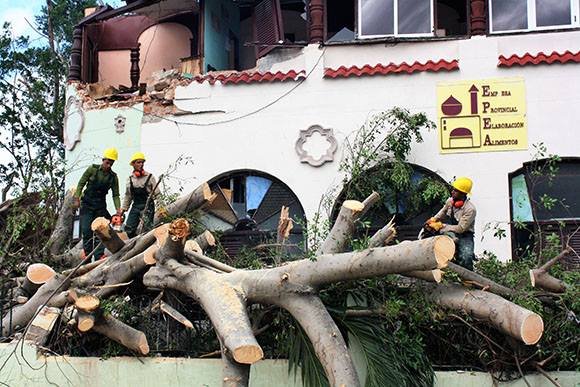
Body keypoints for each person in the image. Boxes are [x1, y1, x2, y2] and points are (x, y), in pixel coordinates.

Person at [74, 148, 121, 260]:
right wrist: (77, 198)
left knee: (101, 230)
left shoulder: (113, 177)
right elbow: (81, 183)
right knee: (86, 230)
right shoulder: (92, 169)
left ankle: (99, 255)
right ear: (103, 160)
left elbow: (115, 195)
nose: (109, 165)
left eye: (111, 163)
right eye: (107, 162)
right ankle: (87, 255)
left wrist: (118, 209)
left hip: (100, 206)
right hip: (87, 204)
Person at [427, 177, 476, 270]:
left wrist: (442, 226)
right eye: (453, 189)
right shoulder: (450, 201)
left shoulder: (470, 209)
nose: (452, 192)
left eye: (456, 191)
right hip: (451, 231)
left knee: (466, 257)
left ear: (463, 194)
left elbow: (461, 228)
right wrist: (433, 220)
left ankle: (467, 280)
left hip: (465, 235)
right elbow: (442, 213)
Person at [118, 152, 160, 238]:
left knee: (147, 229)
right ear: (133, 164)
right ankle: (134, 246)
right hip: (136, 206)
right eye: (138, 162)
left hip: (148, 206)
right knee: (129, 229)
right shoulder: (130, 179)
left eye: (142, 162)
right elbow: (128, 196)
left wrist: (161, 207)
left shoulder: (150, 177)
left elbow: (158, 193)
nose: (141, 164)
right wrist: (123, 209)